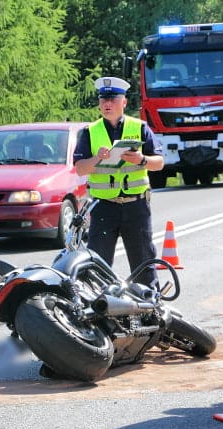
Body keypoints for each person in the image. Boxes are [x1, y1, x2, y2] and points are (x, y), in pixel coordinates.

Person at [73, 76, 165, 288]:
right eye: (103, 99)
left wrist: (142, 160)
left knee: (143, 262)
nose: (107, 104)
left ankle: (150, 305)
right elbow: (79, 168)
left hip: (136, 206)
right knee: (98, 264)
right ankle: (99, 306)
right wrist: (98, 158)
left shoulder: (140, 127)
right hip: (104, 208)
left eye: (113, 99)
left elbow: (159, 162)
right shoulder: (89, 131)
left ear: (124, 102)